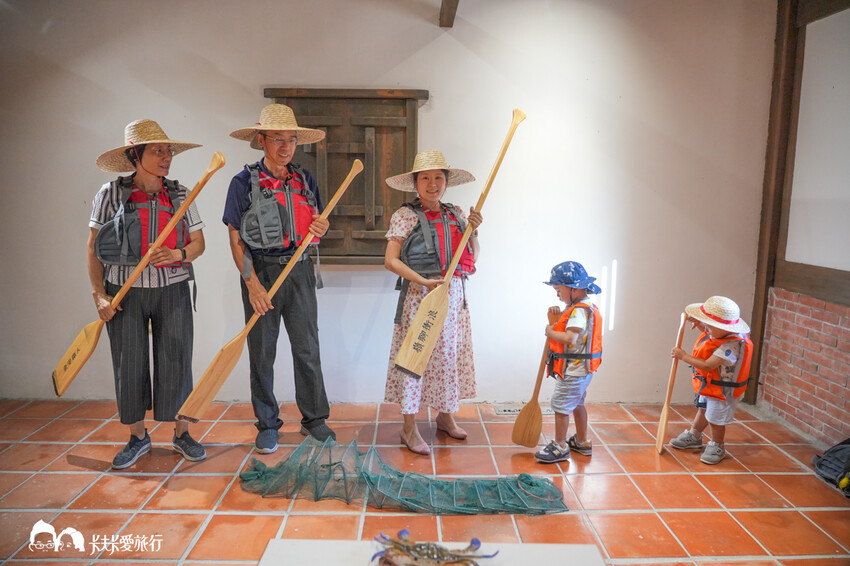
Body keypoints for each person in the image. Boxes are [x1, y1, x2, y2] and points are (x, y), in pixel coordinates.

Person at [89, 119, 207, 469]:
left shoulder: (181, 194)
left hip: (172, 289)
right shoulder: (110, 194)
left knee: (177, 359)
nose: (167, 157)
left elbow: (198, 243)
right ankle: (138, 437)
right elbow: (92, 248)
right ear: (135, 155)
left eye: (168, 150)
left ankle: (182, 433)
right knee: (129, 363)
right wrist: (99, 294)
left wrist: (177, 254)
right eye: (158, 151)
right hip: (124, 294)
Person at [223, 104, 335, 454]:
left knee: (307, 348)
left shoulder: (305, 179)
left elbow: (315, 225)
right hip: (262, 272)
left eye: (291, 140)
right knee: (262, 353)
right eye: (278, 139)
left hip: (300, 271)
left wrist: (321, 227)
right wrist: (252, 284)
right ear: (261, 140)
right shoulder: (242, 183)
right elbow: (236, 239)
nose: (286, 147)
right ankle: (267, 424)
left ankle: (314, 419)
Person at [383, 150, 482, 455]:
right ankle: (409, 428)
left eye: (438, 177)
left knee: (448, 357)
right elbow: (390, 261)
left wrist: (474, 231)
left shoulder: (456, 214)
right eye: (425, 178)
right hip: (419, 297)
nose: (432, 184)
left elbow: (472, 257)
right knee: (416, 359)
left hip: (453, 296)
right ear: (415, 183)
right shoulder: (405, 216)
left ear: (447, 182)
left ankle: (445, 416)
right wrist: (423, 281)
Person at [670, 295, 753, 464]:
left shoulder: (730, 347)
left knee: (715, 419)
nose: (706, 329)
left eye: (709, 326)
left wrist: (684, 356)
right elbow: (714, 335)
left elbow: (708, 365)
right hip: (709, 385)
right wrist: (701, 325)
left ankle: (717, 445)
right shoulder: (722, 334)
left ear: (724, 328)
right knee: (703, 410)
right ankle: (695, 435)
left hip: (722, 391)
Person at [534, 261, 603, 464]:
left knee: (561, 406)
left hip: (574, 371)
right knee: (577, 404)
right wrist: (556, 321)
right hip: (583, 371)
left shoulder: (578, 311)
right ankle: (582, 441)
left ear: (574, 289)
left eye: (558, 289)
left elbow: (570, 338)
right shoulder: (585, 306)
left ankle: (560, 446)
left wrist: (550, 331)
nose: (557, 295)